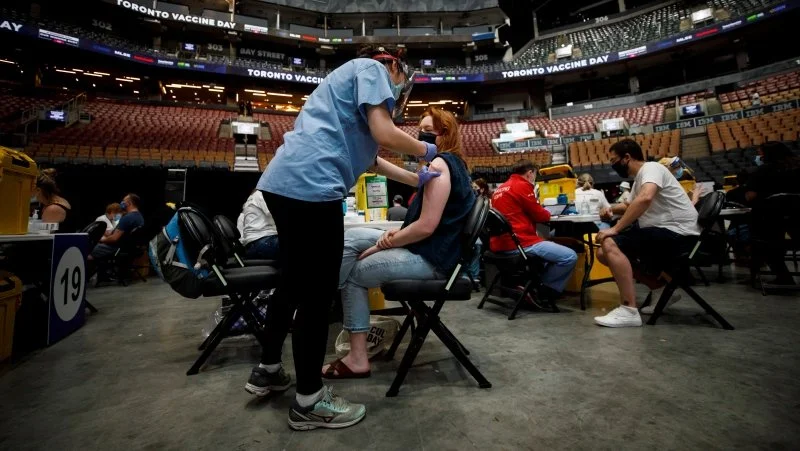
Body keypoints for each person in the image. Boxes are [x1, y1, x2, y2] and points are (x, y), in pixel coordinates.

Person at [245, 44, 441, 431]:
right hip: (312, 187)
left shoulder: (345, 87)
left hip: (284, 183)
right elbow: (384, 132)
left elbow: (370, 159)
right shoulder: (372, 69)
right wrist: (429, 150)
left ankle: (268, 369)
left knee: (292, 283)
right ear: (396, 68)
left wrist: (416, 178)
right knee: (318, 296)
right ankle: (309, 401)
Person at [324, 107, 473, 379]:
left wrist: (384, 244)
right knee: (351, 238)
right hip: (426, 249)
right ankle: (335, 292)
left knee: (354, 276)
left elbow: (426, 226)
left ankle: (356, 356)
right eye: (420, 132)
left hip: (432, 259)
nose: (422, 137)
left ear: (444, 134)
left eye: (428, 131)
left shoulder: (440, 164)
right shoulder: (446, 164)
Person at [594, 139, 701, 327]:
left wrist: (615, 228)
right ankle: (661, 290)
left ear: (626, 158)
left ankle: (628, 310)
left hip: (678, 235)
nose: (612, 165)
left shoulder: (652, 168)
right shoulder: (640, 179)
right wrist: (610, 209)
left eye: (613, 160)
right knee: (604, 254)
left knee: (609, 241)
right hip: (666, 233)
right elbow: (629, 204)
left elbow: (645, 198)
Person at [490, 160, 578, 303]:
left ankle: (531, 286)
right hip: (520, 243)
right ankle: (540, 291)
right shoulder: (522, 185)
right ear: (530, 173)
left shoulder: (499, 189)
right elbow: (540, 215)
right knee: (569, 256)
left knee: (546, 253)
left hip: (500, 245)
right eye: (535, 175)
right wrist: (549, 213)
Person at [745, 141, 800, 285]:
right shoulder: (797, 167)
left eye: (760, 153)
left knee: (762, 241)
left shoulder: (762, 171)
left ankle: (783, 277)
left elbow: (751, 196)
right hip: (796, 219)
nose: (759, 156)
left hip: (770, 220)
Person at [89, 193, 145, 262]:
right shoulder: (140, 217)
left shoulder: (127, 218)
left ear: (129, 203)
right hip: (128, 249)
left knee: (87, 251)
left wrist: (102, 240)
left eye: (124, 201)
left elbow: (114, 238)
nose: (122, 202)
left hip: (116, 248)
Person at [237, 190, 279, 260]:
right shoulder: (260, 194)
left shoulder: (253, 198)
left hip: (256, 244)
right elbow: (275, 215)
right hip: (262, 242)